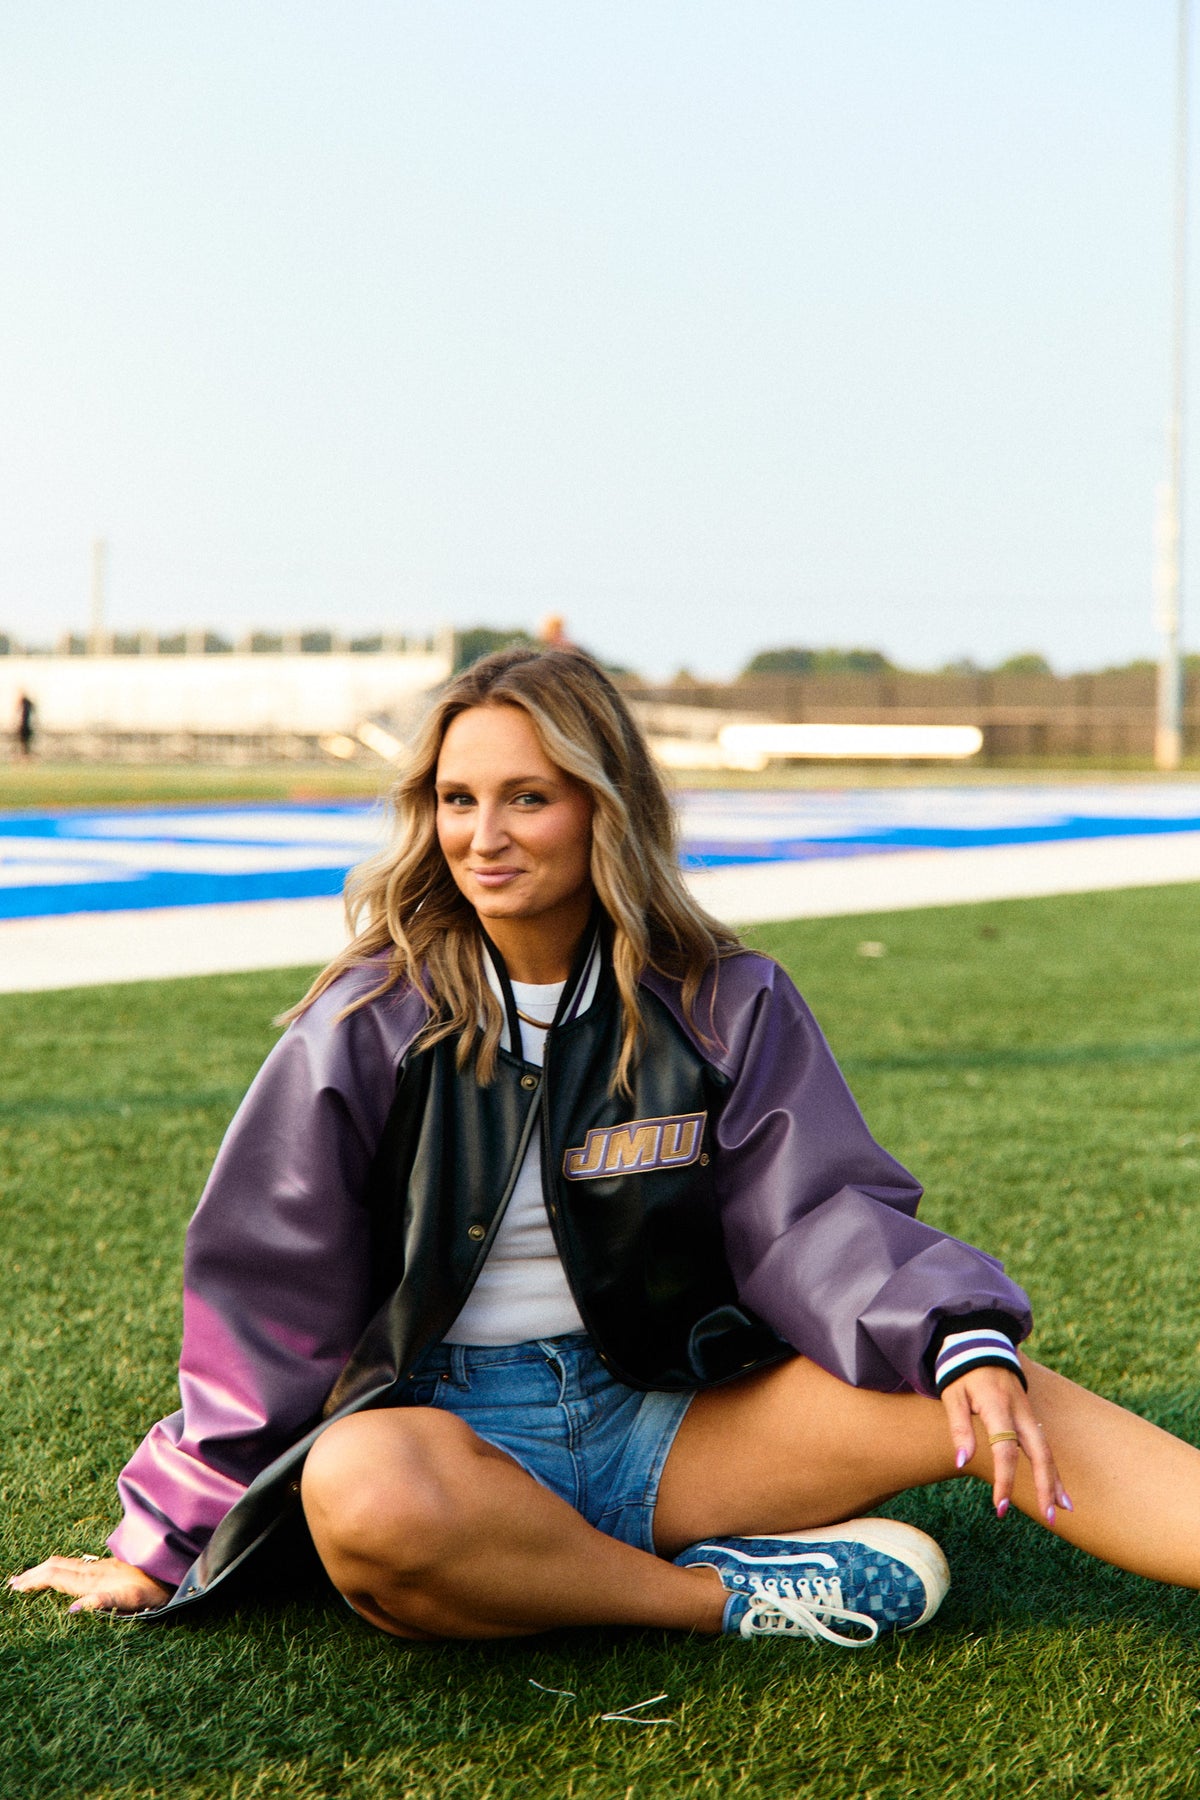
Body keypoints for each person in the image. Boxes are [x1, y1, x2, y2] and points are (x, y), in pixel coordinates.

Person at [13, 648, 1200, 1646]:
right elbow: (268, 1289)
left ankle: (584, 1567)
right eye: (457, 799)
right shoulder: (366, 1021)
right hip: (449, 1436)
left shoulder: (726, 998)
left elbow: (817, 1218)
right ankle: (720, 1599)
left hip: (674, 1419)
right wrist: (163, 1544)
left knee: (993, 1394)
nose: (483, 836)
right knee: (363, 1498)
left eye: (527, 798)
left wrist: (953, 1336)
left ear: (603, 807)